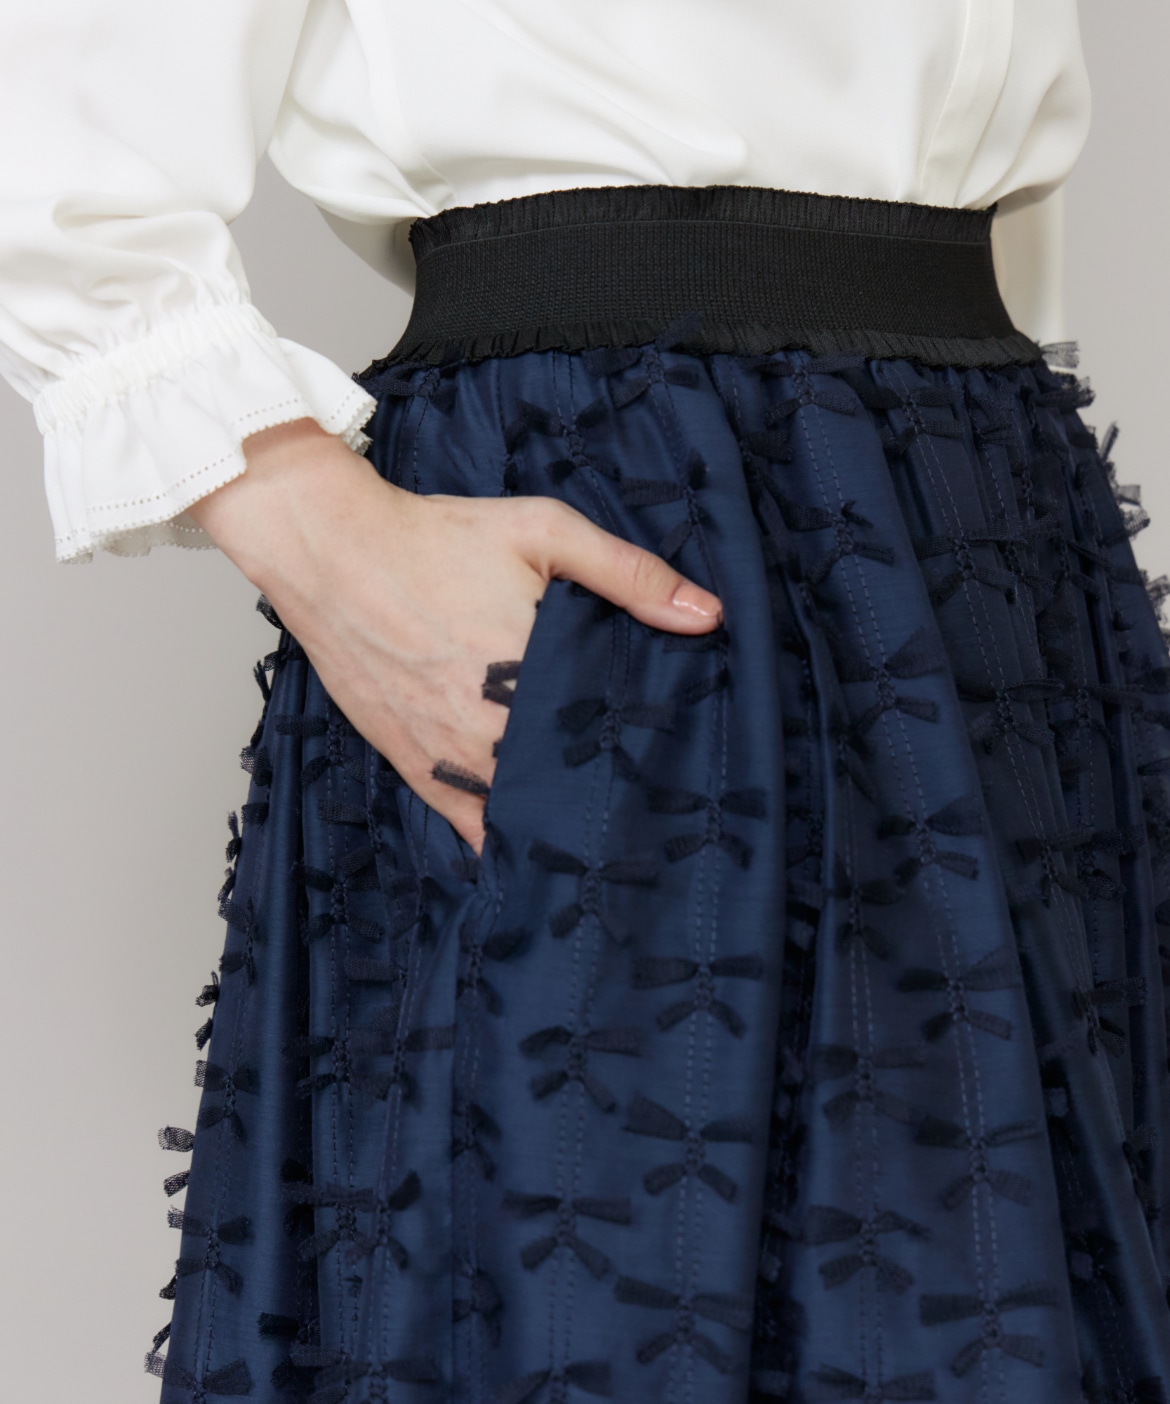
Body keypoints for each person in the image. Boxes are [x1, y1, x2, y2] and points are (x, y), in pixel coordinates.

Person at [3, 3, 1168, 1401]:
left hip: (983, 522)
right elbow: (57, 125)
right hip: (624, 492)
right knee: (592, 1296)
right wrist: (314, 530)